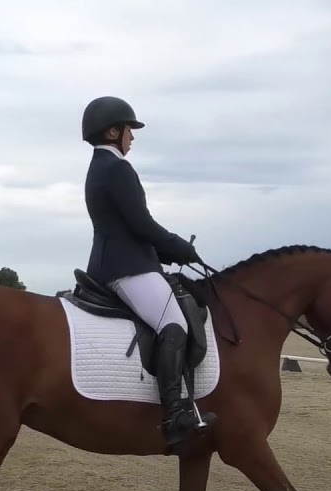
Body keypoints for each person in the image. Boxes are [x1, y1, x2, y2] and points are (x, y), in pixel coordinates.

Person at [80, 95, 216, 453]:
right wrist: (180, 248)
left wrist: (166, 252)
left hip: (119, 261)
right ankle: (174, 414)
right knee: (175, 324)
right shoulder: (117, 168)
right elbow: (141, 224)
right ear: (113, 131)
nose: (133, 138)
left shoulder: (99, 167)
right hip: (127, 267)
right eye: (129, 130)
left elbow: (128, 227)